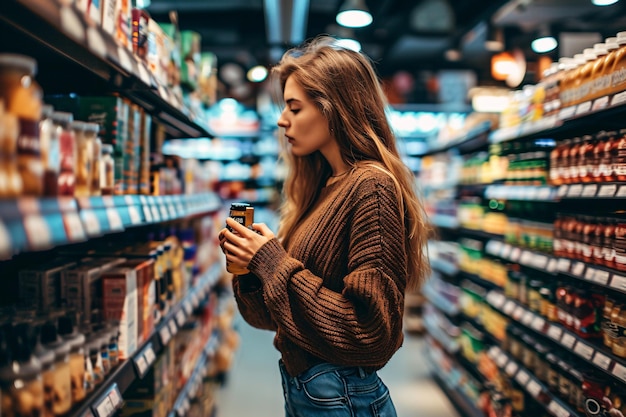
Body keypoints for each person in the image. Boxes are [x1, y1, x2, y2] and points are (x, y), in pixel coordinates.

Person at [218, 35, 431, 417]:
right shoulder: (323, 186)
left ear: (334, 109)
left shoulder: (371, 186)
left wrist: (271, 262)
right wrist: (250, 268)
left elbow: (372, 335)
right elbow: (273, 318)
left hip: (342, 395)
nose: (283, 119)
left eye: (294, 108)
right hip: (312, 392)